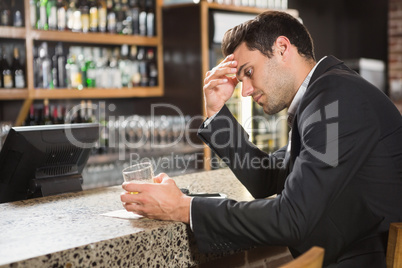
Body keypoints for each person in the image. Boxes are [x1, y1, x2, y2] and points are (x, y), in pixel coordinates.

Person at [120, 10, 402, 267]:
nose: (244, 91)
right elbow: (267, 177)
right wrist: (217, 112)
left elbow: (292, 218)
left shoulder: (335, 98)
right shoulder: (324, 94)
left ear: (282, 48)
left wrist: (182, 208)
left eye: (249, 73)